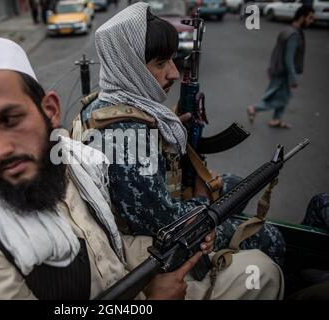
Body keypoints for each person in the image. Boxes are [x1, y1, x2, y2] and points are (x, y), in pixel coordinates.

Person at [0, 36, 283, 300]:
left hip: (136, 284)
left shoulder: (73, 166)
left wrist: (184, 241)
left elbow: (108, 248)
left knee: (261, 271)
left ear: (50, 110)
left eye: (9, 119)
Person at [78, 2, 286, 265]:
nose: (174, 73)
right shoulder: (130, 136)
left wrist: (164, 126)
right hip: (162, 244)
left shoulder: (102, 102)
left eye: (173, 60)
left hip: (159, 211)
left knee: (235, 185)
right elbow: (166, 223)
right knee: (272, 237)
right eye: (161, 63)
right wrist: (202, 196)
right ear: (127, 65)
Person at [247, 6, 314, 129]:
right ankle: (254, 108)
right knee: (282, 98)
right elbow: (288, 59)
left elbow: (277, 51)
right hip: (284, 72)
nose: (311, 21)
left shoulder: (287, 29)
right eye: (310, 18)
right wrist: (293, 78)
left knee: (283, 96)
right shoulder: (294, 35)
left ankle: (276, 120)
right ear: (302, 17)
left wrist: (271, 68)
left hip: (278, 69)